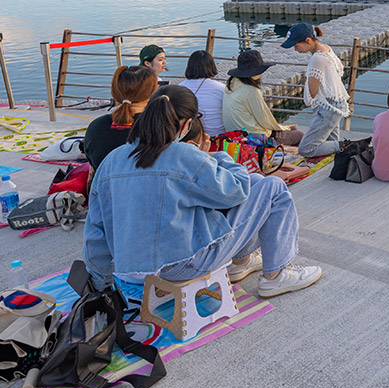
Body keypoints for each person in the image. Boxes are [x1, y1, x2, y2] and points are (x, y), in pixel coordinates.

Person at [83, 85, 322, 301]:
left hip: (127, 271)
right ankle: (276, 275)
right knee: (273, 187)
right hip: (178, 267)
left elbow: (96, 230)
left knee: (258, 181)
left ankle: (241, 262)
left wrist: (100, 282)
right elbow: (236, 191)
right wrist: (214, 156)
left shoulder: (112, 161)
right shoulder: (183, 154)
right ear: (186, 124)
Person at [281, 23, 349, 157]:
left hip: (327, 107)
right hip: (337, 103)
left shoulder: (317, 58)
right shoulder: (327, 49)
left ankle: (346, 145)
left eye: (296, 45)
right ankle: (341, 147)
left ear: (308, 40)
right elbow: (340, 70)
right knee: (330, 141)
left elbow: (312, 91)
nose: (295, 49)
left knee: (306, 148)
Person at [82, 65, 159, 178]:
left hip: (107, 191)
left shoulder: (97, 127)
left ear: (115, 91)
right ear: (153, 91)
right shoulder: (160, 126)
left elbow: (93, 161)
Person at [222, 49, 303, 146]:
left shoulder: (232, 84)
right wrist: (281, 128)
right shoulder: (251, 90)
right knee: (299, 134)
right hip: (251, 137)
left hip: (235, 133)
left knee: (291, 129)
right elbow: (264, 119)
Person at [179, 50, 226, 138]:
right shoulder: (221, 89)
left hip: (187, 137)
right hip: (217, 136)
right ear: (211, 66)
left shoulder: (179, 88)